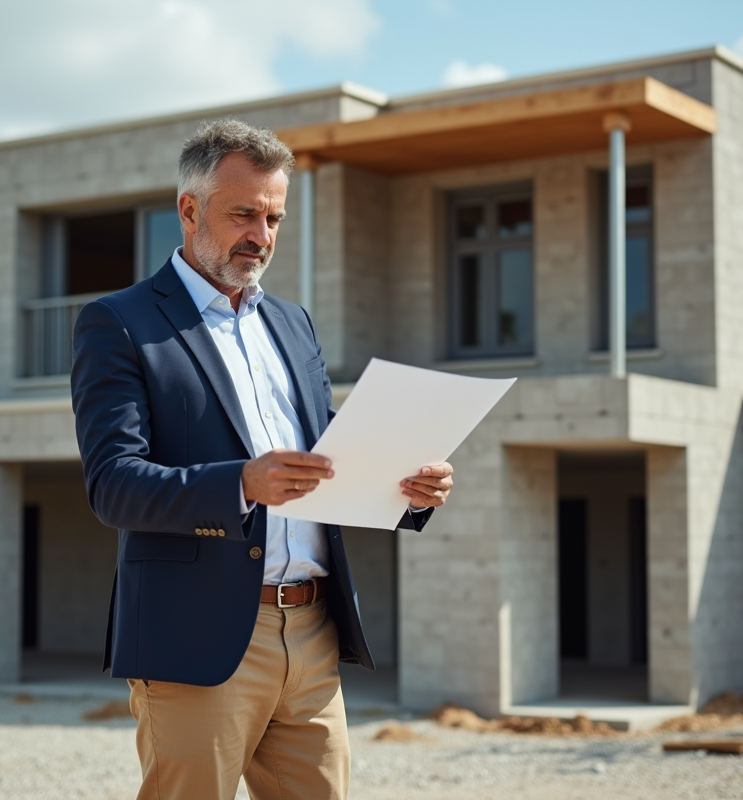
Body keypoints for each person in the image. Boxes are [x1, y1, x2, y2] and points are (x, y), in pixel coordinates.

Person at [71, 118, 454, 800]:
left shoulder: (292, 322)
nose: (263, 235)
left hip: (310, 632)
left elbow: (330, 452)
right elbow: (113, 485)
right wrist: (240, 484)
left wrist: (406, 487)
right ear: (189, 210)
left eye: (274, 217)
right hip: (194, 637)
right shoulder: (120, 323)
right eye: (244, 213)